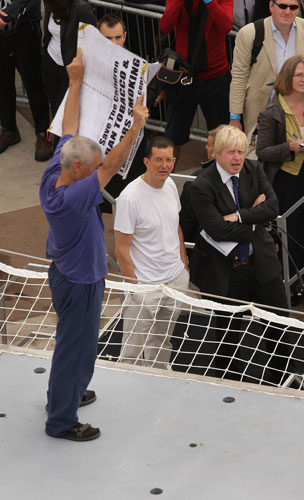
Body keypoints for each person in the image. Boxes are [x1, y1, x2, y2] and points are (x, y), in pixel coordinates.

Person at [40, 48, 148, 441]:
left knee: (71, 342)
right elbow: (111, 166)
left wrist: (74, 81)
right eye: (94, 163)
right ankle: (62, 421)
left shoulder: (58, 168)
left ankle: (62, 396)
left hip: (66, 275)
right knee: (79, 346)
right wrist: (134, 127)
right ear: (81, 169)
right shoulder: (77, 197)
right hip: (82, 281)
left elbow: (68, 125)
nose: (98, 165)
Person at [189, 125, 292, 383]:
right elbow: (217, 230)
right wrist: (255, 221)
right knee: (227, 337)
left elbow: (273, 206)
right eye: (231, 152)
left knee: (278, 326)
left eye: (241, 152)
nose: (237, 158)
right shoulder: (201, 184)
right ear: (217, 154)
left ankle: (283, 378)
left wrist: (238, 216)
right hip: (227, 271)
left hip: (262, 263)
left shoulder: (253, 169)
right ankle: (229, 382)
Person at [114, 136, 189, 369]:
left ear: (174, 161)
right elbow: (121, 248)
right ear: (146, 161)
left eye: (168, 160)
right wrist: (135, 288)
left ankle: (158, 382)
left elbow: (175, 225)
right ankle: (129, 393)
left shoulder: (170, 185)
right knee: (132, 351)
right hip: (144, 287)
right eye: (158, 159)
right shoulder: (129, 198)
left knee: (162, 341)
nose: (164, 165)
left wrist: (183, 264)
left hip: (175, 280)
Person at [256, 55, 304, 295]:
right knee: (293, 232)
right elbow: (262, 151)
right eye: (299, 75)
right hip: (288, 181)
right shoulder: (272, 113)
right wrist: (289, 148)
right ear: (287, 78)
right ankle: (293, 285)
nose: (303, 79)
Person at [159, 0, 232, 156]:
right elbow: (165, 26)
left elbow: (226, 26)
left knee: (222, 139)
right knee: (173, 139)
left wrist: (211, 2)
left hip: (215, 78)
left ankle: (220, 179)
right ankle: (165, 179)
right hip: (184, 78)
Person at [229, 0, 304, 140]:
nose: (287, 11)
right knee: (261, 156)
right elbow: (239, 77)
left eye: (293, 7)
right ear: (271, 6)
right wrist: (235, 117)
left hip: (298, 113)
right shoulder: (249, 33)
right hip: (260, 111)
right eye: (282, 6)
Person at [0, 0, 52, 161]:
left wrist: (11, 12)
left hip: (25, 26)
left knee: (33, 81)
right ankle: (9, 129)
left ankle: (43, 132)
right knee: (2, 80)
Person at [42, 0, 97, 118]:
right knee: (56, 110)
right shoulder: (49, 3)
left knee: (65, 113)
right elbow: (48, 33)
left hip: (71, 69)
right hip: (51, 63)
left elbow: (92, 41)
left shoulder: (81, 8)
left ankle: (62, 137)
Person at [180, 126, 224, 260]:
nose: (205, 147)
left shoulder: (195, 182)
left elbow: (186, 222)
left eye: (209, 144)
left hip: (205, 255)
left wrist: (185, 253)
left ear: (218, 149)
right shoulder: (250, 173)